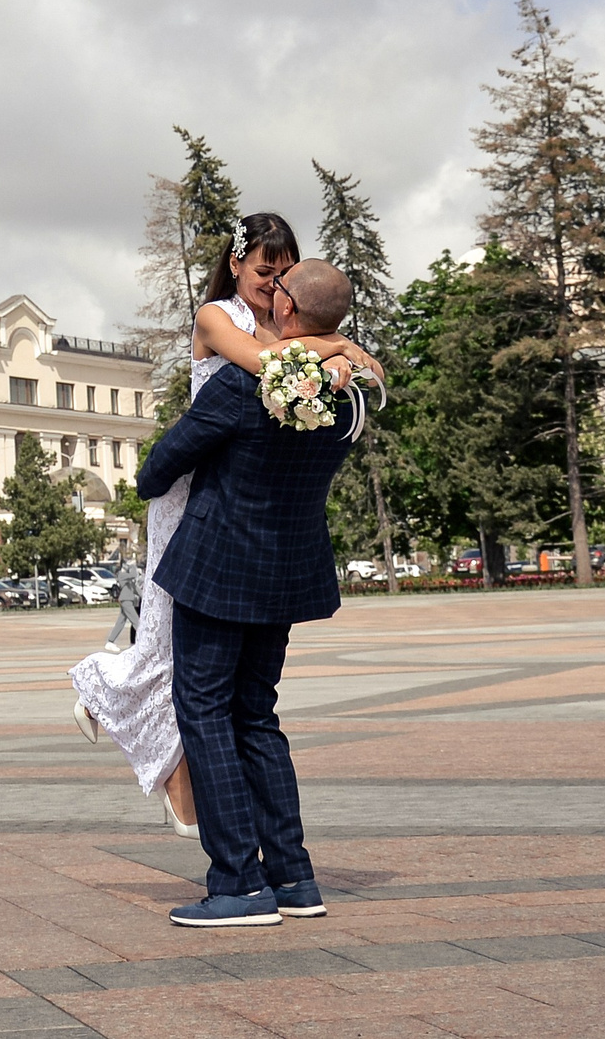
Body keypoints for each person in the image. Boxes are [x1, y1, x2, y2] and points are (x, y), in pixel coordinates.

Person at [68, 214, 378, 837]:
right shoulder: (217, 317)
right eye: (263, 270)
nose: (272, 283)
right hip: (191, 491)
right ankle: (111, 699)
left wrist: (334, 349)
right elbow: (261, 364)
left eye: (284, 274)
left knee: (201, 671)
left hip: (243, 501)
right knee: (168, 643)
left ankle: (173, 776)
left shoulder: (288, 330)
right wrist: (337, 346)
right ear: (235, 265)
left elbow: (334, 373)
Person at [135, 257, 361, 927]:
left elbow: (158, 468)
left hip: (216, 570)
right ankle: (293, 876)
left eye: (278, 287)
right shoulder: (347, 397)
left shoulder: (242, 384)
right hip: (284, 574)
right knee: (257, 715)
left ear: (286, 307)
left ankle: (237, 883)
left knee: (205, 712)